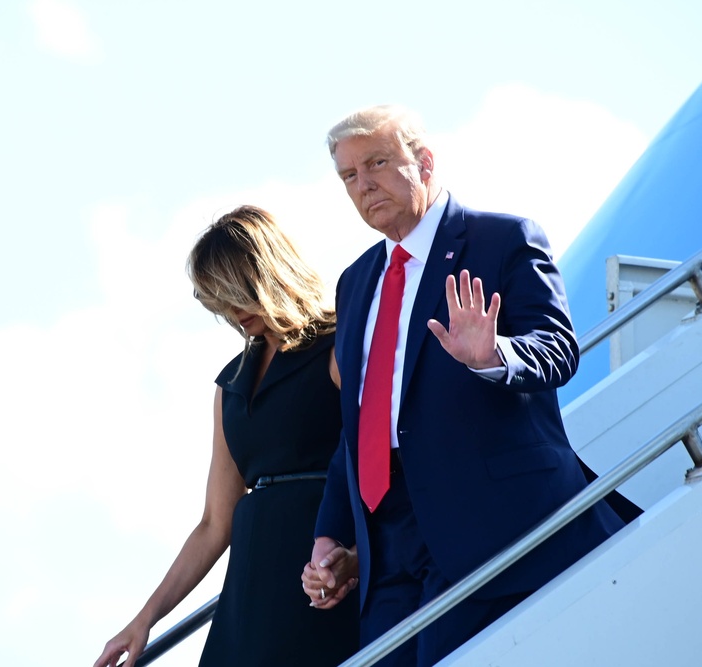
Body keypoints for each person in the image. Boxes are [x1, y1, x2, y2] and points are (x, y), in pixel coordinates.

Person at [301, 105, 626, 665]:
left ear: (424, 163)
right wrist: (331, 532)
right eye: (349, 175)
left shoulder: (501, 238)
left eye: (378, 162)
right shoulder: (356, 282)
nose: (364, 184)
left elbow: (557, 349)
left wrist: (493, 355)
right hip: (387, 541)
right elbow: (362, 421)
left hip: (484, 519)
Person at [94, 206, 358, 667]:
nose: (232, 310)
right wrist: (144, 620)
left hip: (319, 572)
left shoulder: (339, 345)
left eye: (237, 292)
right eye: (219, 298)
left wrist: (354, 556)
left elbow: (381, 462)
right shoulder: (230, 385)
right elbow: (215, 523)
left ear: (269, 272)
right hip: (247, 595)